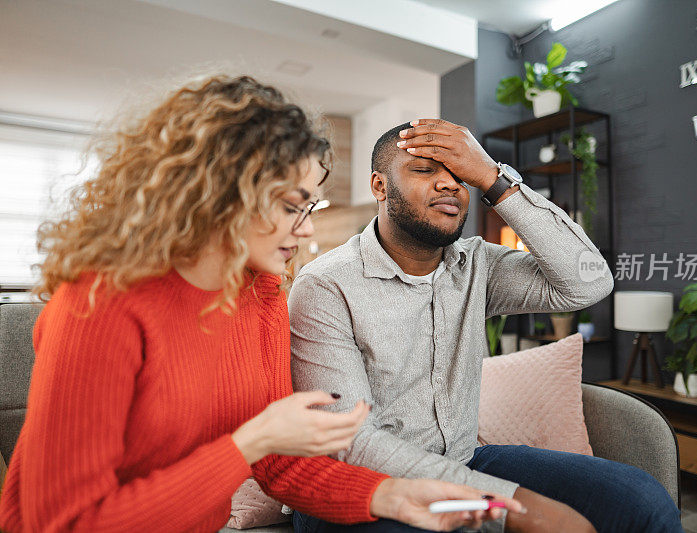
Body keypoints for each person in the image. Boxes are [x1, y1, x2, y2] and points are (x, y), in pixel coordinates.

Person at [0, 77, 524, 532]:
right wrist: (246, 443)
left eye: (310, 206)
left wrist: (390, 496)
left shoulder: (262, 295)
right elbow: (62, 524)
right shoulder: (98, 307)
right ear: (218, 194)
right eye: (292, 206)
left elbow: (280, 465)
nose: (309, 228)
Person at [288, 119, 684, 532]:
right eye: (425, 170)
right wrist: (512, 505)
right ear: (380, 186)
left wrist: (495, 180)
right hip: (359, 487)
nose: (450, 185)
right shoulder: (326, 284)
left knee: (640, 499)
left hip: (461, 460)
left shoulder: (479, 265)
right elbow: (351, 444)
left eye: (462, 175)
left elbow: (589, 282)